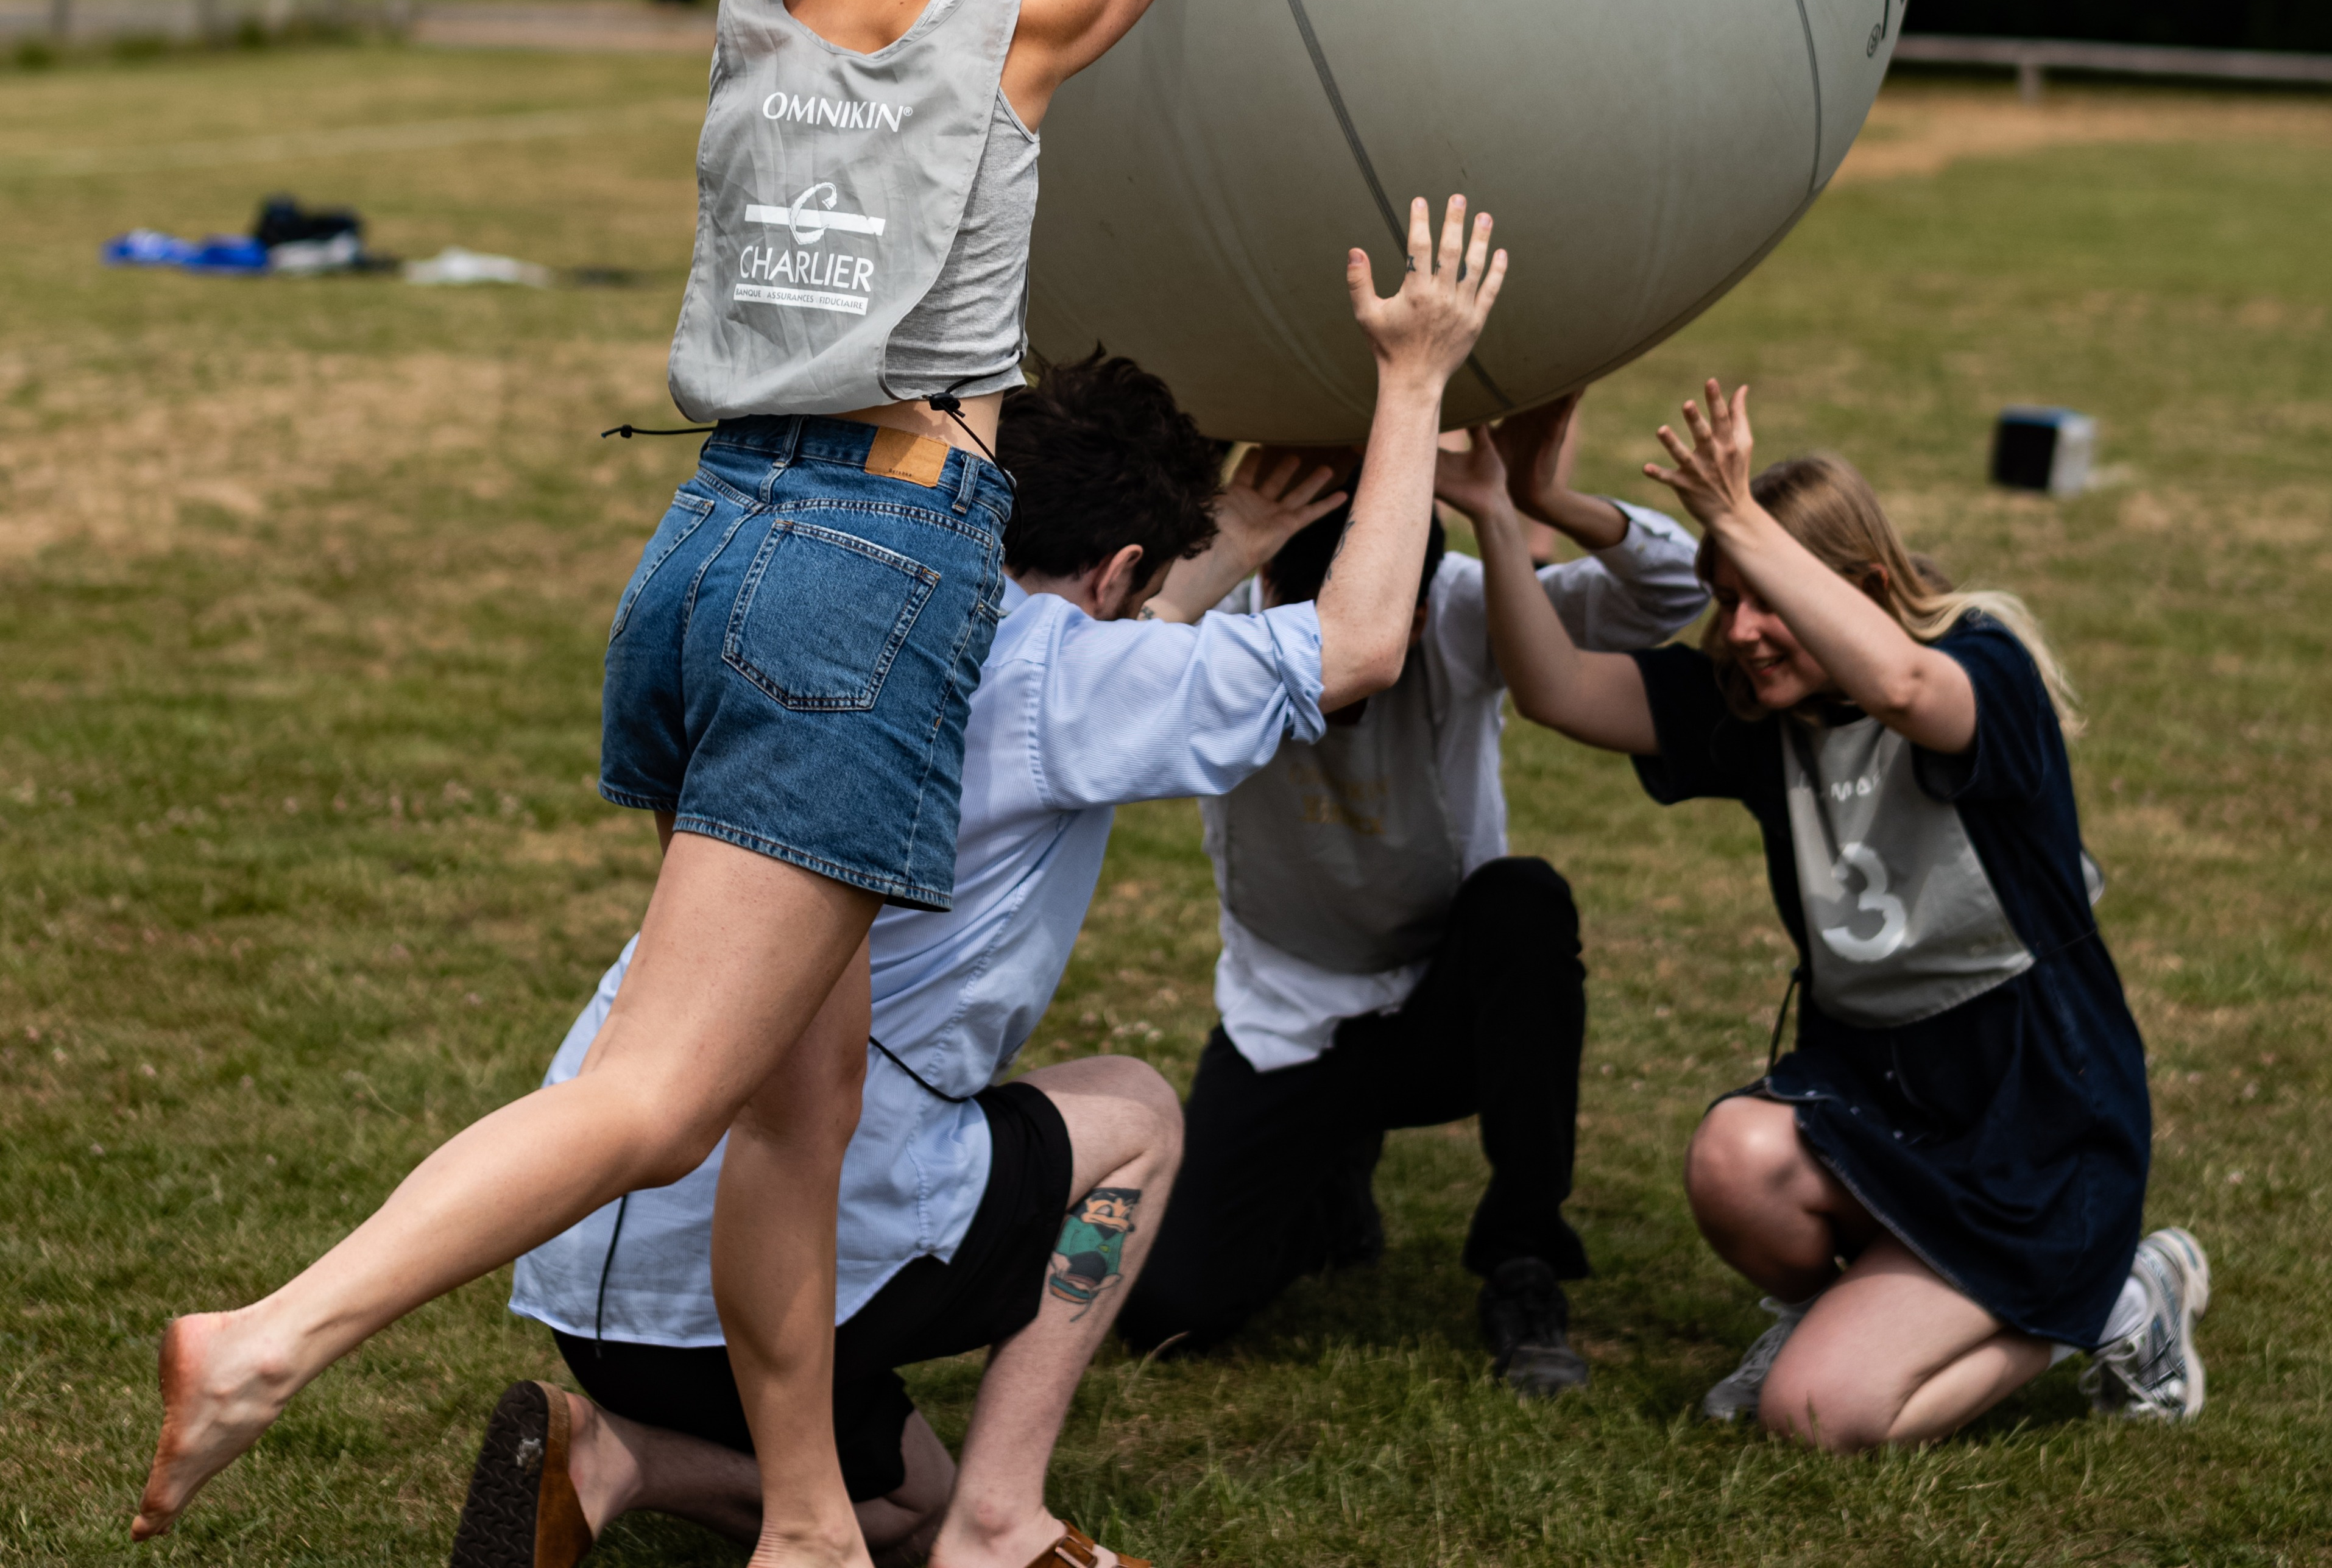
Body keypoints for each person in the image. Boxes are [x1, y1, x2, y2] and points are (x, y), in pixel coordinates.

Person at [134, 0, 1269, 1550]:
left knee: (794, 1105)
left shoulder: (763, 11)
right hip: (868, 584)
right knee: (667, 1096)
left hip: (714, 549)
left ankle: (808, 1520)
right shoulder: (995, 29)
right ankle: (265, 1338)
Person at [445, 203, 1507, 1565]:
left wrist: (1226, 538)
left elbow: (1086, 654)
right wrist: (1414, 378)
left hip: (596, 1251)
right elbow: (1355, 647)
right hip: (774, 1259)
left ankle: (608, 1457)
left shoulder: (864, 609)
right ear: (1120, 572)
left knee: (896, 1503)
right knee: (1135, 1116)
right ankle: (1005, 1522)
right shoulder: (1074, 680)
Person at [1433, 378, 2208, 1449]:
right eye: (1727, 600)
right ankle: (1860, 1311)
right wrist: (1494, 513)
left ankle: (2115, 1299)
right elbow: (1555, 690)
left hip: (2035, 1128)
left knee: (1815, 1415)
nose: (1744, 633)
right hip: (1880, 1101)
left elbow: (1900, 689)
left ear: (1863, 589)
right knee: (1734, 1160)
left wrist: (1736, 513)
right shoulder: (1762, 710)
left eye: (1768, 599)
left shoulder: (1984, 669)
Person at [1119, 395, 1707, 1392]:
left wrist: (1526, 502)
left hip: (1448, 1007)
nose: (1346, 671)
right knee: (1173, 1311)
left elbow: (1673, 592)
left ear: (1421, 607)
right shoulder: (1215, 624)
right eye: (1317, 640)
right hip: (1290, 1021)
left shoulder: (1469, 604)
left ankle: (1523, 1259)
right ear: (1269, 594)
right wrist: (1222, 534)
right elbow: (1100, 646)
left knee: (1523, 903)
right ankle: (1327, 1183)